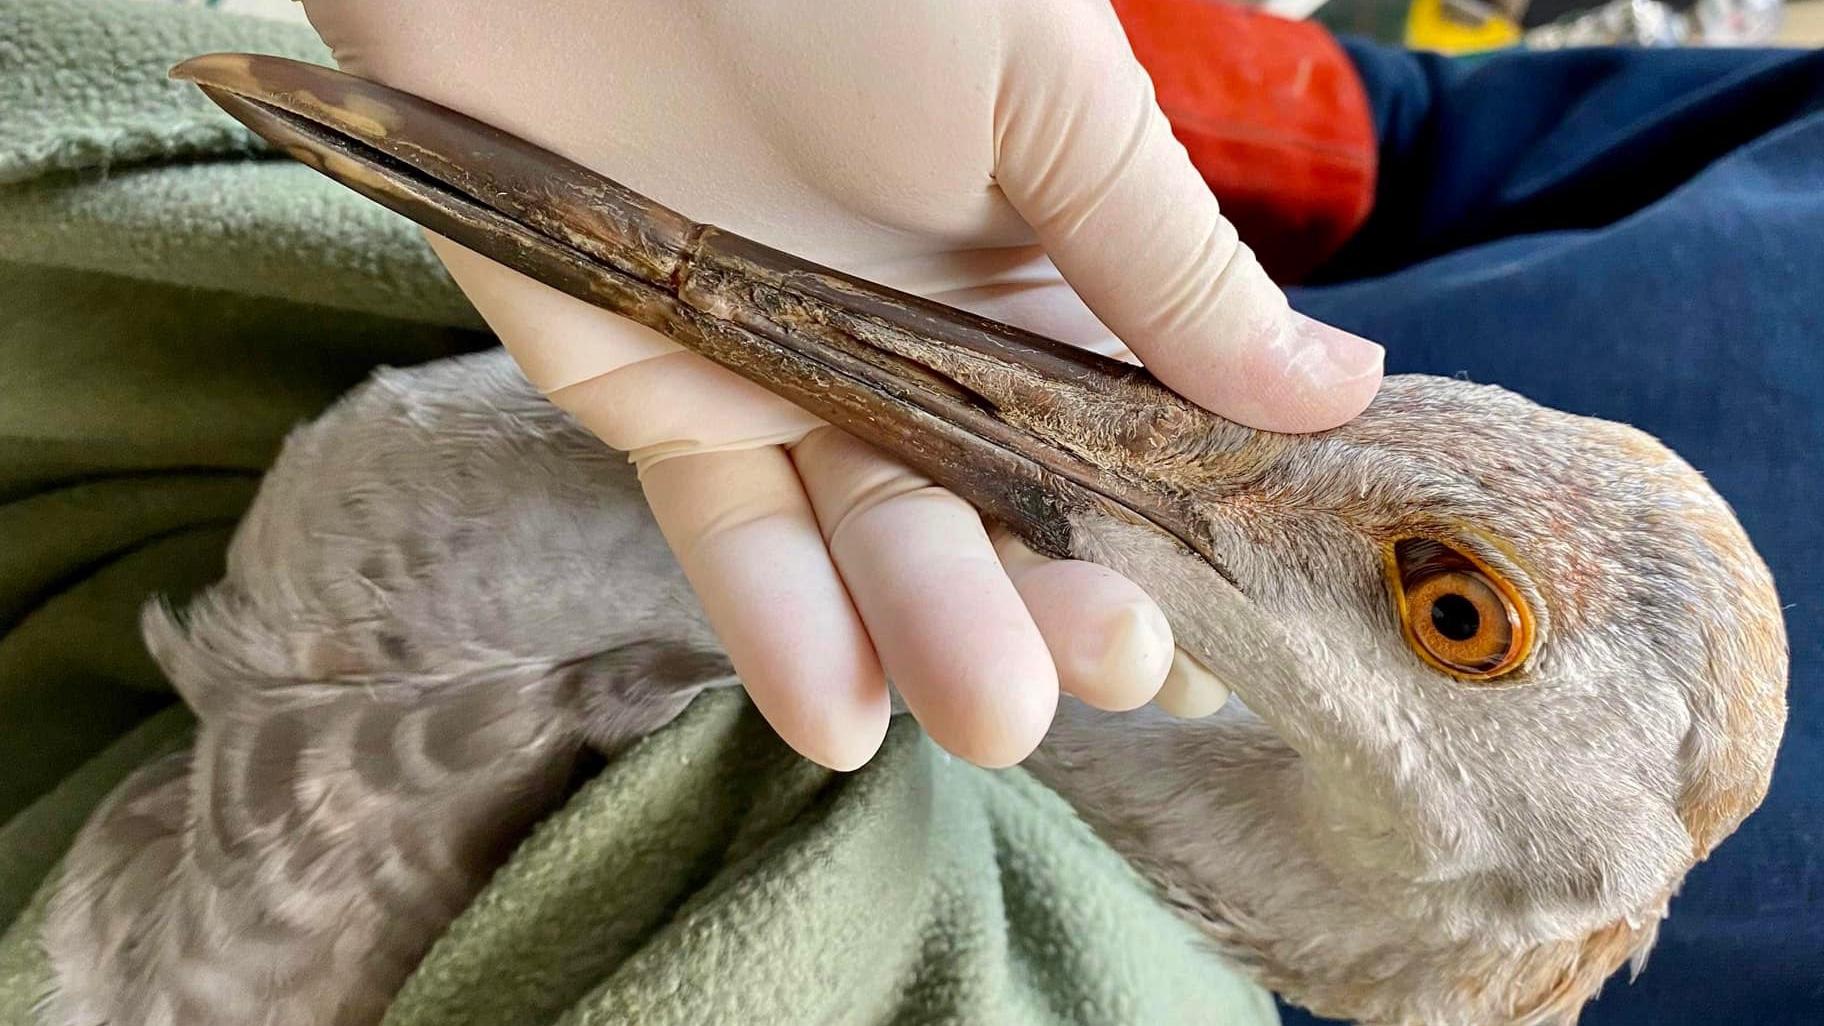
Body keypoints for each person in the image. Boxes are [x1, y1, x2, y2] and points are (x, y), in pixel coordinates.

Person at [298, 2, 1824, 1022]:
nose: (1448, 606)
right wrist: (982, 74)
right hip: (877, 432)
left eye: (1455, 608)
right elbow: (1404, 129)